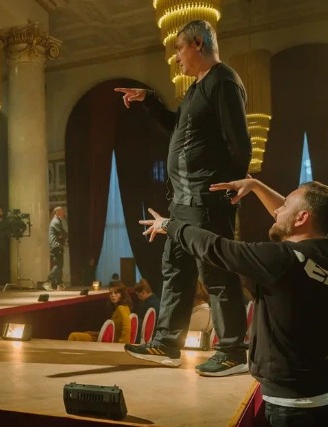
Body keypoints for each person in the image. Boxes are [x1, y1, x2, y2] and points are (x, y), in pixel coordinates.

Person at [129, 177, 328, 426]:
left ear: (302, 218)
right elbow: (301, 219)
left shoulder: (282, 259)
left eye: (284, 206)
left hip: (295, 410)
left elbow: (216, 247)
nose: (276, 211)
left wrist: (170, 225)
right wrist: (257, 186)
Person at [115, 19, 252, 376]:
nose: (176, 57)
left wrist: (233, 185)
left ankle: (233, 352)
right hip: (183, 200)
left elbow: (239, 140)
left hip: (207, 198)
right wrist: (150, 101)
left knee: (216, 274)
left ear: (197, 44)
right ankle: (166, 343)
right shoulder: (195, 90)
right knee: (176, 270)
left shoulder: (223, 81)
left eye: (178, 48)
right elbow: (177, 129)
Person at [69, 283, 133, 343]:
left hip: (111, 342)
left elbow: (127, 327)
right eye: (111, 293)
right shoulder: (124, 307)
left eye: (116, 293)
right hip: (106, 338)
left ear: (122, 294)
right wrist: (93, 333)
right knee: (82, 334)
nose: (113, 295)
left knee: (74, 336)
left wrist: (122, 344)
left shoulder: (121, 308)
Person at [44, 206, 68, 290]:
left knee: (59, 265)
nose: (63, 214)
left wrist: (62, 236)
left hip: (57, 246)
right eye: (62, 212)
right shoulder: (55, 221)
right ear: (57, 212)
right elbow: (63, 233)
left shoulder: (57, 221)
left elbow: (61, 235)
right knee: (58, 265)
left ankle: (58, 283)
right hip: (56, 246)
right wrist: (67, 237)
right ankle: (48, 281)